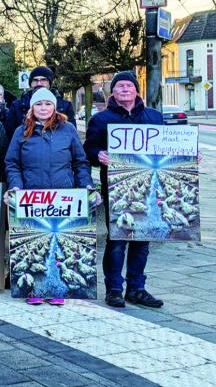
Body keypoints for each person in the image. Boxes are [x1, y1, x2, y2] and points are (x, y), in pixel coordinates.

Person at [5, 88, 95, 305]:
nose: (43, 108)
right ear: (31, 108)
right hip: (31, 197)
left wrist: (86, 185)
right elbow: (12, 163)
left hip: (62, 196)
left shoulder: (68, 130)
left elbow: (80, 162)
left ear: (54, 107)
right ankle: (34, 288)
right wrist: (16, 186)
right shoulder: (21, 132)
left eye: (47, 104)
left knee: (60, 240)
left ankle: (59, 289)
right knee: (35, 243)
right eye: (38, 104)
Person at [83, 71, 164, 309]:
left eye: (129, 85)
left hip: (149, 186)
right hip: (118, 188)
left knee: (142, 239)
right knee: (117, 239)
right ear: (113, 92)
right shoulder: (101, 119)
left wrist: (189, 155)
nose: (125, 90)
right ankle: (114, 289)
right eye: (120, 86)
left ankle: (137, 288)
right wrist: (98, 154)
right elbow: (89, 148)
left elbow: (170, 144)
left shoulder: (154, 117)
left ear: (136, 90)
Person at [5, 66, 75, 134]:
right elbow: (10, 134)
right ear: (30, 83)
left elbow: (71, 134)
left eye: (43, 80)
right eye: (35, 80)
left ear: (49, 83)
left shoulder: (65, 106)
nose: (39, 83)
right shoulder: (17, 106)